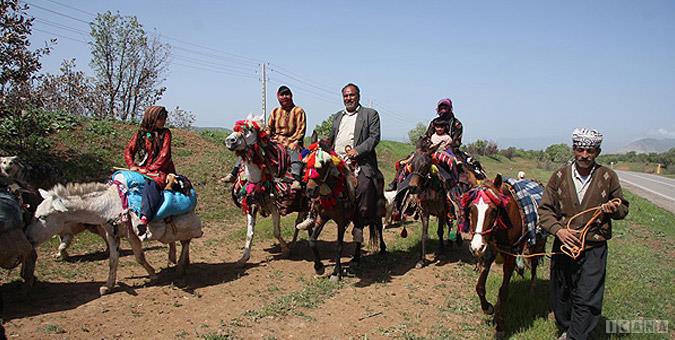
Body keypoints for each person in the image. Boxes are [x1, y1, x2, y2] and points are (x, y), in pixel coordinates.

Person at [538, 128, 629, 340]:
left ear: (597, 152)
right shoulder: (559, 176)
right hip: (563, 246)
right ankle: (567, 327)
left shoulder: (608, 176)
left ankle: (576, 336)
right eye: (580, 150)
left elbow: (622, 207)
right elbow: (544, 210)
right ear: (573, 149)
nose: (584, 155)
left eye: (590, 150)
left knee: (587, 296)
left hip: (593, 248)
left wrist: (613, 208)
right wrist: (559, 230)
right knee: (562, 293)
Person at [328, 83, 386, 258]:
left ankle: (359, 224)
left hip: (360, 162)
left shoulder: (370, 114)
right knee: (316, 181)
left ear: (358, 96)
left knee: (364, 186)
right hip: (337, 161)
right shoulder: (338, 116)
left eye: (351, 95)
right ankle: (314, 215)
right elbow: (332, 138)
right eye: (345, 96)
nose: (348, 98)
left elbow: (374, 137)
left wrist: (357, 151)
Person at [224, 85, 307, 189]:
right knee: (250, 148)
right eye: (282, 95)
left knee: (295, 152)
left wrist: (293, 141)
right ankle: (234, 173)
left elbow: (301, 130)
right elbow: (269, 128)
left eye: (287, 94)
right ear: (278, 97)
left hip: (292, 141)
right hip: (276, 141)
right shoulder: (275, 112)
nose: (285, 97)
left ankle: (296, 179)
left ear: (291, 96)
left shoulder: (298, 111)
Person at [124, 106, 175, 236]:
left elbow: (164, 156)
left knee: (152, 184)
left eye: (164, 118)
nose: (163, 121)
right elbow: (129, 150)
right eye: (160, 118)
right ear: (152, 118)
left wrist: (147, 170)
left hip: (161, 171)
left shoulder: (166, 133)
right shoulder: (141, 134)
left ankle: (144, 219)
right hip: (142, 169)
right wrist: (131, 165)